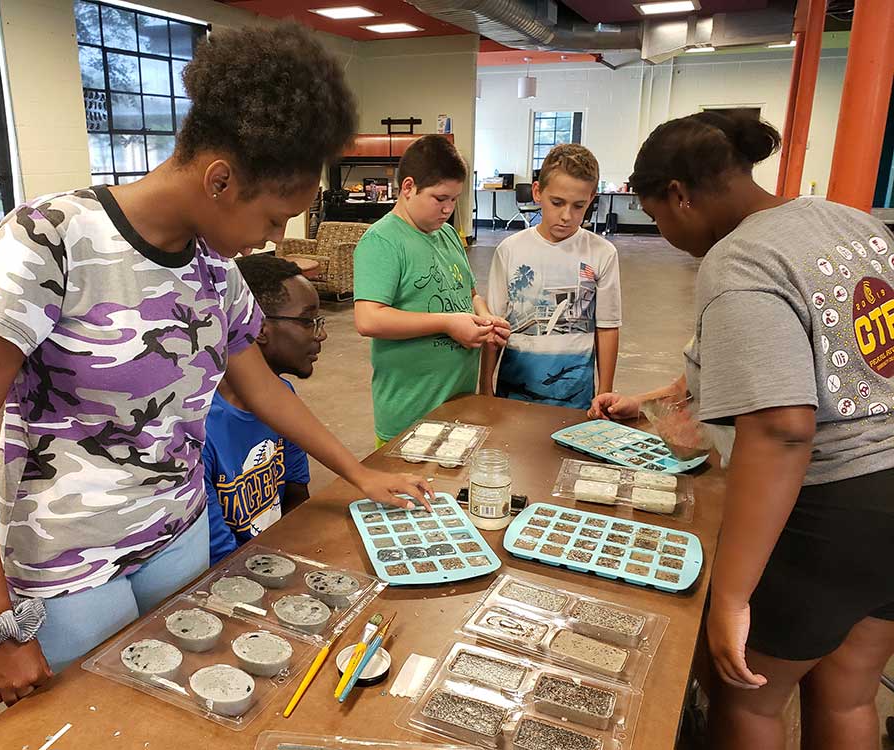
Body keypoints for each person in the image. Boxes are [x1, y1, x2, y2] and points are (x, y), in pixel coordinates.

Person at [0, 23, 432, 708]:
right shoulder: (49, 240)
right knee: (98, 721)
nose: (276, 238)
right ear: (221, 179)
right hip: (71, 568)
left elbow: (261, 390)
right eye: (275, 215)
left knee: (187, 711)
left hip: (180, 535)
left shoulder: (217, 271)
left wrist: (359, 470)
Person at [589, 109, 894, 750]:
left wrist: (731, 596)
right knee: (849, 691)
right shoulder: (847, 221)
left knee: (750, 697)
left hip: (830, 511)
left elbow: (781, 427)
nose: (664, 233)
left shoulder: (739, 260)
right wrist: (651, 399)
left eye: (658, 217)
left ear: (679, 195)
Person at [354, 135, 509, 445]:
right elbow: (369, 319)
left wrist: (485, 318)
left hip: (459, 404)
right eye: (440, 199)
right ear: (408, 187)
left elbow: (470, 294)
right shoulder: (383, 241)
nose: (448, 209)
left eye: (455, 199)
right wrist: (447, 323)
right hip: (410, 415)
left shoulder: (449, 235)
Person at [481, 143, 621, 408]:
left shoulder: (603, 253)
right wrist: (485, 385)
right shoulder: (509, 251)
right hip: (513, 396)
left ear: (591, 198)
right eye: (557, 203)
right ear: (537, 192)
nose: (566, 216)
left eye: (579, 206)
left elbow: (607, 327)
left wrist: (604, 392)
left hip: (577, 398)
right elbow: (494, 327)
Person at [204, 255, 322, 565]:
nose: (320, 334)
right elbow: (218, 556)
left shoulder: (285, 398)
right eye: (308, 321)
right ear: (258, 327)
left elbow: (297, 498)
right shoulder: (200, 429)